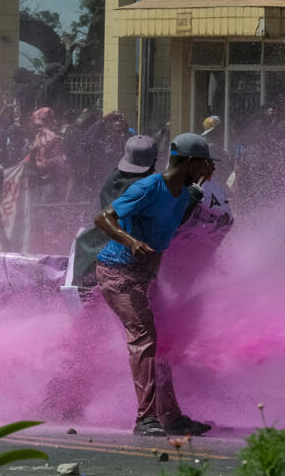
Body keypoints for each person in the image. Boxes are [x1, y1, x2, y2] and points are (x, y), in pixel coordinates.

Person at [93, 133, 215, 437]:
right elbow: (104, 218)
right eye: (204, 163)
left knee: (162, 341)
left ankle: (171, 417)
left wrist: (199, 188)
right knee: (145, 337)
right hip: (117, 272)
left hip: (144, 278)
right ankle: (145, 419)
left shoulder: (184, 194)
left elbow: (172, 224)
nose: (209, 168)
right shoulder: (148, 186)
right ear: (191, 162)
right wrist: (132, 242)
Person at [70, 135, 159, 293]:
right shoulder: (147, 185)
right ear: (154, 159)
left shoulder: (115, 175)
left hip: (94, 246)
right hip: (125, 250)